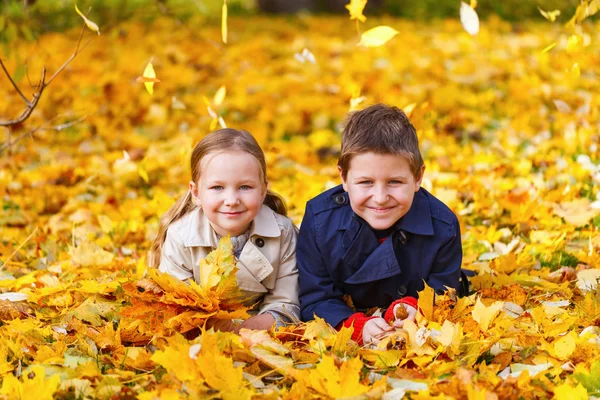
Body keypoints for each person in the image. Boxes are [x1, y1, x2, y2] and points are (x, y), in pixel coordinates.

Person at [297, 104, 463, 345]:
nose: (381, 196)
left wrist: (413, 307)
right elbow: (315, 297)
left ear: (417, 178)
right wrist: (355, 326)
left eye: (394, 182)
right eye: (365, 182)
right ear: (343, 178)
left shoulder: (442, 225)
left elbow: (443, 290)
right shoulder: (320, 221)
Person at [149, 128, 300, 331]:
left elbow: (287, 302)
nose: (231, 201)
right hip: (202, 336)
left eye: (245, 187)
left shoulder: (283, 233)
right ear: (196, 192)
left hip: (262, 331)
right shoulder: (181, 237)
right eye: (217, 188)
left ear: (263, 190)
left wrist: (250, 329)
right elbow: (176, 307)